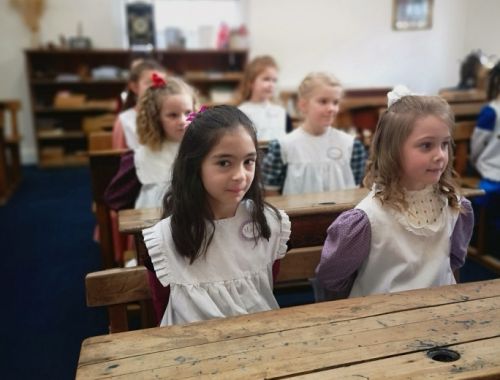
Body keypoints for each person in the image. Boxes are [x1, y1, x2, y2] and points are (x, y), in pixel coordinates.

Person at [315, 87, 474, 299]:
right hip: (382, 319)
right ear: (393, 150)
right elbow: (333, 279)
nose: (440, 155)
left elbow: (451, 264)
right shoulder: (368, 218)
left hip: (439, 312)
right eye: (426, 146)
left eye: (444, 144)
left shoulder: (454, 205)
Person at [142, 105, 291, 326]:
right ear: (194, 165)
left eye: (248, 161)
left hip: (259, 339)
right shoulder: (165, 238)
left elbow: (265, 287)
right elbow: (162, 306)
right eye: (224, 163)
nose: (240, 176)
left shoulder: (269, 223)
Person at [261, 72, 367, 195]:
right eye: (323, 101)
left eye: (335, 102)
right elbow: (271, 194)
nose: (331, 108)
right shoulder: (282, 147)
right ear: (303, 105)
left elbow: (356, 192)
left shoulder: (352, 146)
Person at [105, 74, 197, 210]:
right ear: (155, 118)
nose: (183, 120)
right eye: (173, 115)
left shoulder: (202, 149)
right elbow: (115, 199)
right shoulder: (140, 157)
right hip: (153, 224)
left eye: (188, 112)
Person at [470, 61, 500, 254]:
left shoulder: (492, 110)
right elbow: (477, 145)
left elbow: (477, 146)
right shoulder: (492, 111)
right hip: (492, 168)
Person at [111, 59, 167, 149]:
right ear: (134, 87)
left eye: (162, 84)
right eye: (151, 84)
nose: (158, 89)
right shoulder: (124, 121)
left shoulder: (171, 116)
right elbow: (118, 159)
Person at [236, 55, 293, 141]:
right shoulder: (240, 113)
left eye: (274, 80)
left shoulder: (282, 113)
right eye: (266, 79)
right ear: (251, 82)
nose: (271, 85)